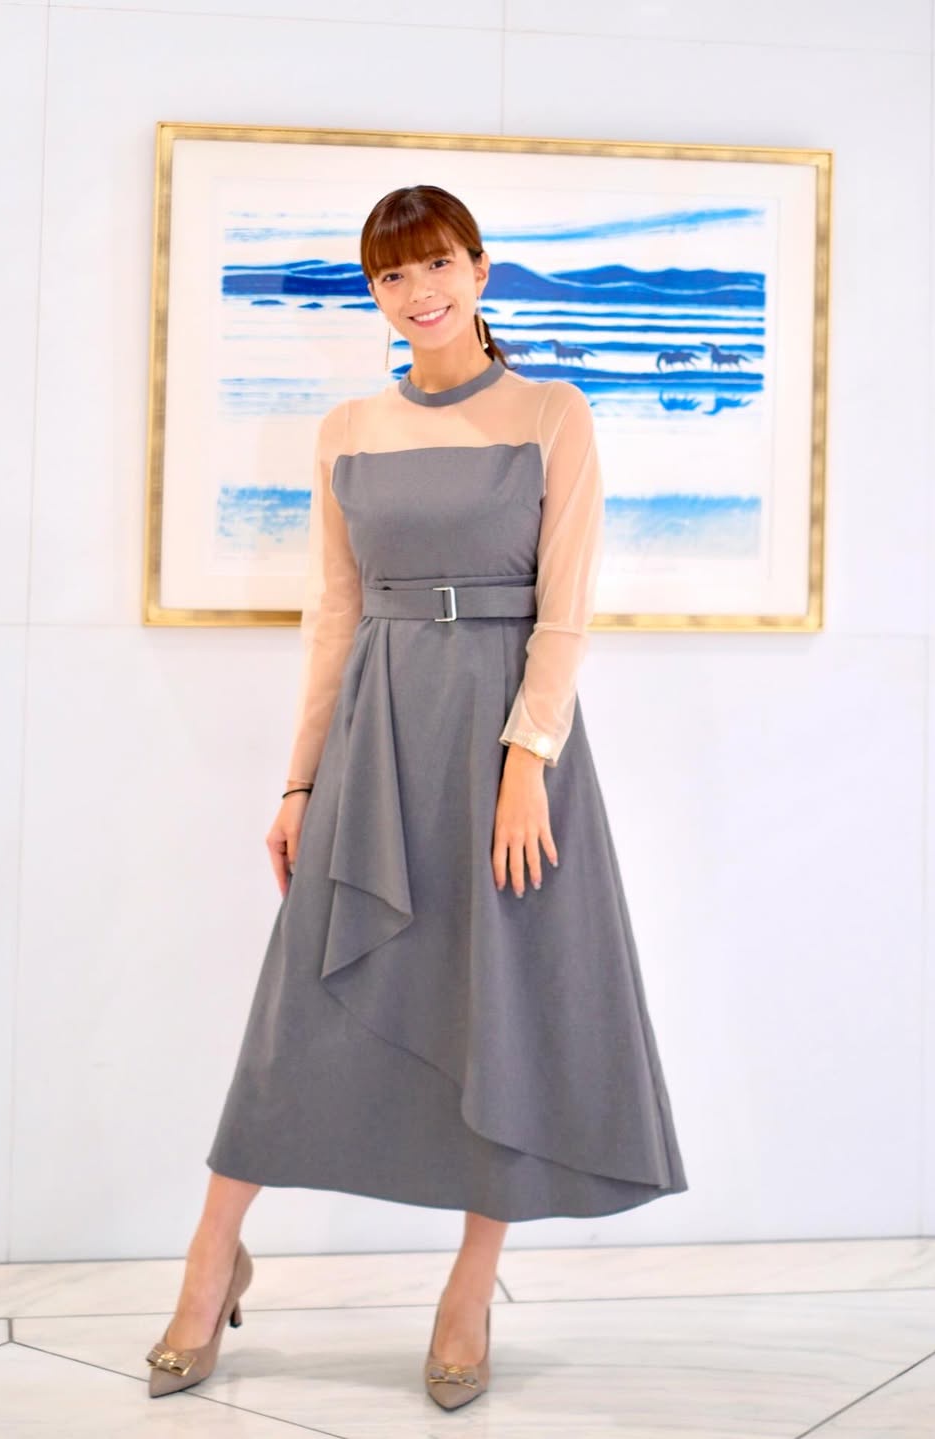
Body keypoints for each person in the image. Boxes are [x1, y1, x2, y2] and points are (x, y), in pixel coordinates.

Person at [144, 184, 688, 1409]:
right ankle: (213, 1256)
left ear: (480, 269)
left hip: (503, 746)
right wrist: (300, 778)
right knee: (297, 1011)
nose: (417, 291)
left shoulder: (552, 412)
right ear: (375, 294)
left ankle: (468, 1287)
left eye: (436, 263)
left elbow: (566, 609)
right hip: (374, 739)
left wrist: (526, 764)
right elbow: (334, 614)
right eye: (391, 275)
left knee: (498, 1007)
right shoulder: (347, 428)